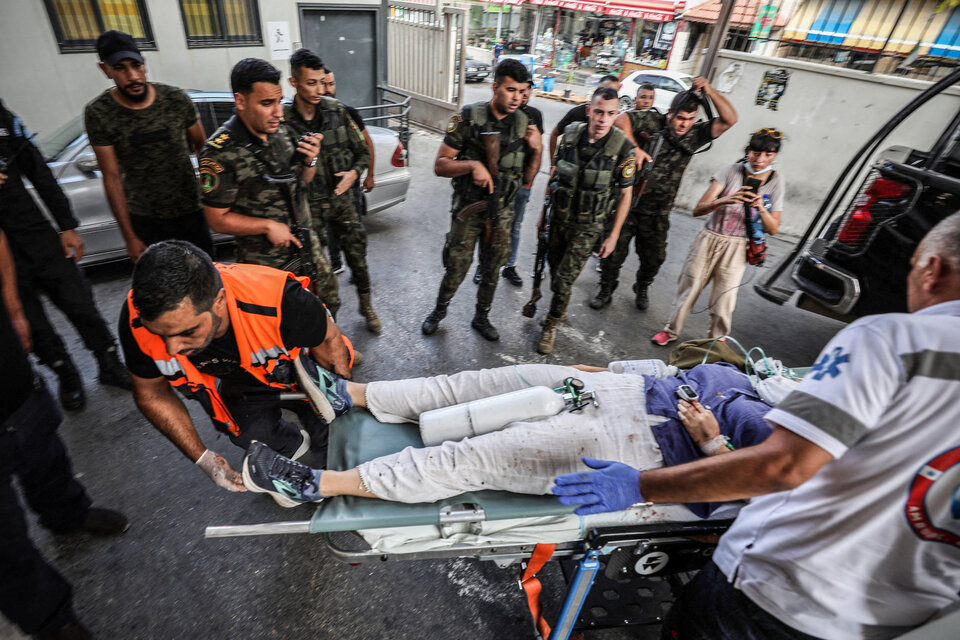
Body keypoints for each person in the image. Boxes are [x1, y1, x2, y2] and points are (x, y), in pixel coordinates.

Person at [553, 212, 960, 639]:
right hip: (881, 622)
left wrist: (648, 482)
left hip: (776, 594)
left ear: (931, 270)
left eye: (912, 268)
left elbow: (783, 467)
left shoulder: (898, 341)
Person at [240, 359, 775, 509]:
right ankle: (350, 396)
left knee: (476, 457)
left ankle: (315, 485)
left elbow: (760, 487)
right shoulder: (742, 377)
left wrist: (710, 443)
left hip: (643, 448)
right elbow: (655, 370)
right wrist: (586, 371)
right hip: (617, 391)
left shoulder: (785, 432)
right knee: (473, 386)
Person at [118, 240, 353, 493]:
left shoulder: (280, 299)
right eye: (161, 334)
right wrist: (204, 459)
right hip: (240, 379)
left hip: (303, 368)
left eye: (188, 331)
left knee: (336, 439)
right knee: (251, 435)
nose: (172, 349)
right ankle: (291, 446)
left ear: (219, 301)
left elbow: (330, 342)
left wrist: (345, 413)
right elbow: (152, 393)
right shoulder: (136, 320)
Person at [0, 229, 128, 640]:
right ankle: (51, 620)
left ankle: (68, 514)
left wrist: (14, 308)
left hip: (13, 384)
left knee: (46, 457)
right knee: (5, 545)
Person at [0, 99, 130, 411]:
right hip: (4, 258)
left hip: (37, 236)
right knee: (34, 327)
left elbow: (40, 173)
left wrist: (67, 226)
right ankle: (66, 374)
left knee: (80, 304)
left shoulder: (3, 120)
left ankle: (109, 363)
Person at [591, 77, 737, 311]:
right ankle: (606, 288)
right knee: (613, 254)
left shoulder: (695, 135)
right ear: (670, 113)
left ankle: (642, 285)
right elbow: (621, 119)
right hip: (628, 204)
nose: (683, 124)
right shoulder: (652, 120)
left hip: (658, 212)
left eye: (689, 120)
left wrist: (709, 90)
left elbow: (730, 119)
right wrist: (635, 148)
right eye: (680, 118)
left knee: (654, 258)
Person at [421, 59, 541, 341]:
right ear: (495, 86)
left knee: (491, 269)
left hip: (503, 212)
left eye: (522, 91)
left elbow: (527, 180)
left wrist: (537, 150)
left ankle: (481, 317)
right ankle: (439, 311)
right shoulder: (467, 118)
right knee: (456, 267)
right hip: (468, 210)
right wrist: (472, 166)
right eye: (511, 90)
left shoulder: (527, 122)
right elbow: (440, 165)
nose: (517, 98)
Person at [199, 59, 327, 300]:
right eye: (267, 103)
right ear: (240, 101)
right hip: (264, 266)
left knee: (324, 310)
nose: (278, 112)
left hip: (307, 248)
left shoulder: (282, 129)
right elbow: (216, 220)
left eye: (279, 101)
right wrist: (267, 226)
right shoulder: (219, 151)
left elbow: (302, 183)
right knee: (276, 329)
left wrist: (311, 160)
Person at [84, 30, 212, 261]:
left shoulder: (175, 99)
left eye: (136, 65)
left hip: (190, 213)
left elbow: (203, 149)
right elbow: (111, 177)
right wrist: (129, 237)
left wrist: (211, 198)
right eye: (120, 68)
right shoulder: (99, 113)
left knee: (207, 280)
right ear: (105, 70)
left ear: (144, 62)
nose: (132, 76)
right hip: (145, 221)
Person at [652, 128, 785, 347]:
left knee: (724, 299)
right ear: (748, 151)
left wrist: (761, 207)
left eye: (768, 155)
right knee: (689, 286)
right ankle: (671, 330)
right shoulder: (730, 171)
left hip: (738, 246)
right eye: (755, 153)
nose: (760, 160)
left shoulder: (776, 181)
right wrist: (725, 200)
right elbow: (698, 209)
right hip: (710, 237)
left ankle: (716, 343)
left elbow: (774, 228)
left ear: (775, 156)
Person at [284, 50, 380, 333]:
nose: (318, 90)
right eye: (310, 83)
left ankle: (366, 305)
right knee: (317, 271)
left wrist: (354, 173)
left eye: (321, 82)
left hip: (344, 203)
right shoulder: (284, 122)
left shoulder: (337, 111)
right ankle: (328, 327)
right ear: (294, 82)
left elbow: (361, 152)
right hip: (309, 208)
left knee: (358, 257)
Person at [536, 87, 636, 354]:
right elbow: (555, 175)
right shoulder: (570, 136)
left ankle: (551, 324)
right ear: (589, 110)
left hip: (589, 226)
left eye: (611, 114)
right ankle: (561, 305)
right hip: (558, 218)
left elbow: (626, 195)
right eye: (599, 112)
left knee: (563, 279)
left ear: (617, 115)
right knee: (554, 269)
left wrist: (613, 235)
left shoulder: (623, 148)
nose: (604, 119)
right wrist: (542, 214)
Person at [317, 67, 377, 275]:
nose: (327, 89)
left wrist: (369, 175)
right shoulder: (308, 117)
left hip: (349, 186)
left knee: (354, 228)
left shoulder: (347, 112)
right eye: (323, 83)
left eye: (331, 84)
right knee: (331, 228)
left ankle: (359, 269)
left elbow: (367, 144)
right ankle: (335, 262)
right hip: (324, 187)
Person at [500, 81, 543, 288]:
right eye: (517, 91)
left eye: (526, 92)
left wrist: (529, 183)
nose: (522, 96)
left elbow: (538, 150)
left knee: (515, 226)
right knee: (488, 223)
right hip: (499, 181)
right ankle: (483, 265)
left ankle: (510, 265)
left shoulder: (535, 116)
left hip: (521, 184)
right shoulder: (502, 112)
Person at [548, 74, 620, 165]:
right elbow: (555, 134)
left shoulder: (618, 120)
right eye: (603, 90)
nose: (604, 119)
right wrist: (553, 164)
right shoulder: (577, 113)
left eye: (612, 92)